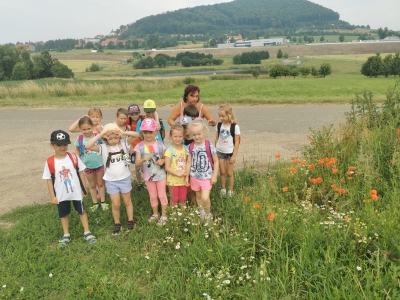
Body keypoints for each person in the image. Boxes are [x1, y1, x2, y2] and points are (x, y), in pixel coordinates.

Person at [42, 130, 96, 247]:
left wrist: (84, 188)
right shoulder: (50, 162)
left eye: (65, 144)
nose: (62, 147)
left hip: (76, 192)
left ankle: (87, 231)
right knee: (64, 214)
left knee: (81, 211)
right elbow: (49, 180)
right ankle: (66, 234)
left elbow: (81, 172)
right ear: (52, 145)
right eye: (59, 145)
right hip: (61, 194)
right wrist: (52, 196)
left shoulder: (73, 157)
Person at [85, 123, 140, 234]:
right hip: (111, 181)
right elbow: (88, 146)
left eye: (116, 137)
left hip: (124, 178)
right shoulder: (103, 147)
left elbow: (136, 135)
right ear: (106, 138)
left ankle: (131, 220)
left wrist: (123, 132)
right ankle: (117, 223)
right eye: (110, 138)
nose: (114, 140)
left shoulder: (124, 143)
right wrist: (100, 135)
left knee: (127, 201)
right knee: (115, 204)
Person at [134, 118, 168, 226]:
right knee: (152, 195)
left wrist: (162, 160)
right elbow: (137, 164)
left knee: (162, 194)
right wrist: (144, 159)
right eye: (145, 132)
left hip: (161, 175)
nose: (148, 135)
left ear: (155, 132)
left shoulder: (160, 145)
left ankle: (164, 215)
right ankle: (155, 214)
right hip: (148, 176)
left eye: (150, 132)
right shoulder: (139, 146)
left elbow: (165, 158)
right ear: (142, 133)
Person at [185, 121, 219, 222]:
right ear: (191, 135)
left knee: (205, 197)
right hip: (194, 177)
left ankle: (208, 213)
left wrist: (215, 176)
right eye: (194, 134)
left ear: (204, 132)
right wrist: (187, 176)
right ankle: (202, 212)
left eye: (199, 134)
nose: (197, 136)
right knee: (198, 196)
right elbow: (188, 162)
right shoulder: (190, 147)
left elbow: (216, 161)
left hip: (206, 177)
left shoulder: (209, 145)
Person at [74, 116, 107, 211]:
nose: (87, 131)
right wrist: (76, 160)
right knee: (92, 185)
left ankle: (103, 202)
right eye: (84, 129)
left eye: (88, 128)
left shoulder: (97, 136)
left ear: (92, 127)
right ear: (80, 129)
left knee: (100, 184)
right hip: (87, 166)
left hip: (99, 164)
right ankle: (95, 203)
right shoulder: (79, 139)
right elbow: (77, 150)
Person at [215, 104, 241, 197]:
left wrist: (234, 156)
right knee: (222, 172)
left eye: (223, 116)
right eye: (219, 116)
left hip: (230, 153)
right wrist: (215, 151)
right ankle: (223, 189)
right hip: (220, 152)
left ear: (229, 115)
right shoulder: (219, 125)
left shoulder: (235, 127)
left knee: (229, 173)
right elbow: (217, 138)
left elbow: (237, 142)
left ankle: (230, 190)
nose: (221, 118)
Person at [164, 125, 189, 209]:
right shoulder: (169, 150)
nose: (178, 138)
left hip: (183, 180)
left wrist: (187, 175)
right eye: (175, 136)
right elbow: (167, 167)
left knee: (183, 198)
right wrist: (177, 174)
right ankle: (173, 215)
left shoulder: (186, 149)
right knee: (174, 199)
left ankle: (183, 214)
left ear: (183, 136)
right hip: (173, 180)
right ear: (170, 136)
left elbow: (188, 163)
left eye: (180, 136)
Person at [126, 103, 145, 190]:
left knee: (146, 165)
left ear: (139, 113)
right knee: (137, 167)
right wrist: (130, 146)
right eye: (132, 114)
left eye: (136, 114)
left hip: (144, 146)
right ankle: (139, 182)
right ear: (129, 115)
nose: (134, 116)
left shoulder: (143, 119)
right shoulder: (128, 122)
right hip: (134, 148)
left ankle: (148, 181)